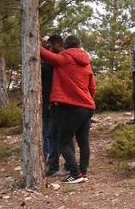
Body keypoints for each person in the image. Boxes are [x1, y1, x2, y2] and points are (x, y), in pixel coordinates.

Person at [39, 35, 96, 184]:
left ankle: (75, 174)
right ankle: (83, 172)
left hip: (72, 107)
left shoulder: (65, 58)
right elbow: (92, 87)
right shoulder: (86, 62)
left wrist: (35, 42)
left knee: (62, 141)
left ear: (66, 46)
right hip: (88, 106)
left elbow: (43, 54)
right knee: (83, 141)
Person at [42, 34, 69, 176]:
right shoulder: (52, 62)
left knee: (56, 135)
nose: (48, 47)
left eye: (49, 45)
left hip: (57, 103)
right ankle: (54, 164)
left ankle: (57, 165)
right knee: (53, 135)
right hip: (51, 102)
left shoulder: (59, 61)